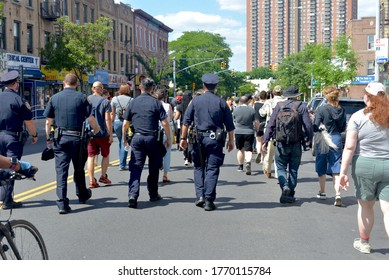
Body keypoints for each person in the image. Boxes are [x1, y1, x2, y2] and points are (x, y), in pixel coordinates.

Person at [338, 82, 389, 254]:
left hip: (365, 165)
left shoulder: (358, 117)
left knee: (366, 206)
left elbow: (350, 147)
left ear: (367, 97)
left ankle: (364, 242)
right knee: (388, 210)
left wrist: (343, 172)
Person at [44, 74, 100, 214]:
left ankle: (62, 203)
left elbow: (48, 121)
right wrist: (96, 130)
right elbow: (90, 118)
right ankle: (82, 194)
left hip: (60, 138)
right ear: (76, 84)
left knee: (61, 171)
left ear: (64, 83)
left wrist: (48, 138)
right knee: (79, 168)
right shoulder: (82, 97)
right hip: (77, 139)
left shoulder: (54, 98)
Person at [180, 73, 235, 211]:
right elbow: (230, 125)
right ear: (216, 86)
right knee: (212, 168)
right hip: (215, 139)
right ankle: (209, 200)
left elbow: (186, 122)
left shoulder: (196, 101)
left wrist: (182, 138)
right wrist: (231, 141)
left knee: (198, 167)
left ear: (203, 85)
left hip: (198, 138)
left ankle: (200, 196)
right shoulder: (221, 102)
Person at [122, 77, 171, 209]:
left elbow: (125, 124)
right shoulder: (156, 103)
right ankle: (153, 194)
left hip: (137, 138)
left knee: (136, 168)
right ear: (152, 89)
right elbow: (165, 123)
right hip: (152, 138)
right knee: (153, 168)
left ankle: (132, 196)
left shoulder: (133, 102)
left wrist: (124, 139)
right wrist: (169, 138)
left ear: (140, 87)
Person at [262, 86, 313, 204]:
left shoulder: (279, 106)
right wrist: (309, 139)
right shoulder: (301, 107)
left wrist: (265, 140)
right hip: (296, 143)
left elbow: (271, 124)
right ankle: (290, 193)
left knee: (280, 168)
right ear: (297, 95)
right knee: (293, 169)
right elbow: (308, 126)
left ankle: (284, 186)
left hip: (280, 142)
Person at [0, 70, 38, 209]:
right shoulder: (19, 100)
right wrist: (34, 135)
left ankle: (3, 195)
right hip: (11, 137)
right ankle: (7, 200)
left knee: (1, 165)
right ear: (15, 84)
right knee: (11, 166)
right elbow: (29, 122)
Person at [313, 85, 346, 206]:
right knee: (336, 165)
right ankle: (338, 194)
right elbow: (343, 127)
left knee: (321, 163)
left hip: (323, 137)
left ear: (326, 96)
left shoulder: (322, 109)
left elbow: (315, 125)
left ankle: (322, 192)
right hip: (336, 137)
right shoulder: (341, 110)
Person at [86, 81, 113, 188]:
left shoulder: (86, 100)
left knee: (91, 156)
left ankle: (91, 180)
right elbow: (107, 119)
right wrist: (110, 133)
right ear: (101, 89)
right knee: (105, 155)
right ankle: (103, 176)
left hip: (90, 133)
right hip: (102, 133)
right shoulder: (105, 102)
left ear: (93, 89)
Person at [259, 85, 286, 178]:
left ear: (273, 93)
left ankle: (268, 169)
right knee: (281, 151)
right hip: (284, 129)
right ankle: (279, 173)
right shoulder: (285, 102)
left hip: (271, 127)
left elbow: (262, 113)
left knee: (270, 151)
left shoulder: (269, 102)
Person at [233, 95, 257, 175]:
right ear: (248, 101)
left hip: (238, 131)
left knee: (240, 150)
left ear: (240, 101)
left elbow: (234, 120)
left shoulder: (236, 109)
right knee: (248, 149)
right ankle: (248, 162)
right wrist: (256, 129)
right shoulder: (252, 110)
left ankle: (240, 166)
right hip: (249, 131)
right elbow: (256, 122)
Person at [111, 84, 133, 170]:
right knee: (125, 141)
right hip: (127, 122)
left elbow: (112, 113)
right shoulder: (131, 100)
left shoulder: (114, 99)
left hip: (117, 122)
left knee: (121, 141)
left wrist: (111, 123)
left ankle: (121, 161)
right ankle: (122, 163)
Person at [154, 88, 174, 183]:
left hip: (155, 130)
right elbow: (171, 117)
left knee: (155, 152)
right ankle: (165, 175)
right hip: (166, 129)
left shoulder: (153, 105)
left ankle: (155, 172)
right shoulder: (167, 105)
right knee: (167, 151)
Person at [175, 90, 193, 166]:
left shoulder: (180, 105)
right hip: (192, 125)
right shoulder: (192, 105)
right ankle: (190, 157)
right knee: (190, 142)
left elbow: (176, 117)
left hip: (183, 125)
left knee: (184, 140)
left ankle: (185, 157)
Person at [253, 90, 267, 164]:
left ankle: (258, 152)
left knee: (258, 141)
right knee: (264, 142)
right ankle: (263, 158)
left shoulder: (255, 104)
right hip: (266, 124)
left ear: (259, 96)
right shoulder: (267, 104)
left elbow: (253, 114)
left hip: (258, 124)